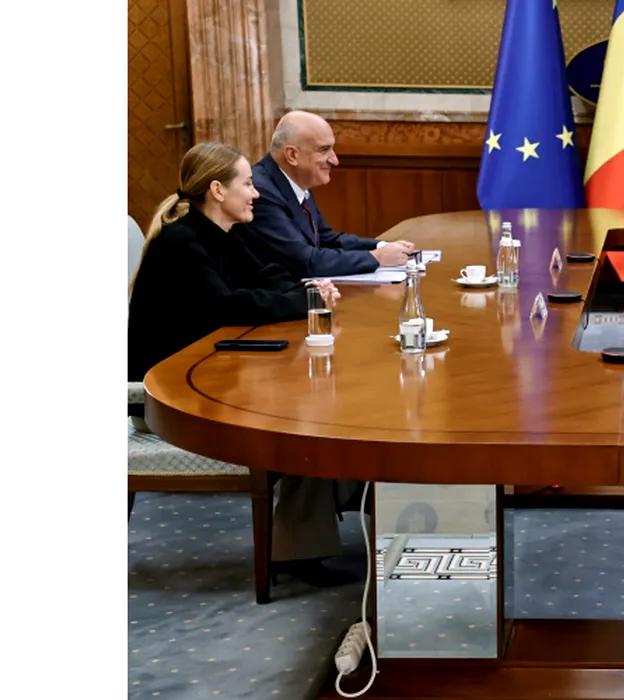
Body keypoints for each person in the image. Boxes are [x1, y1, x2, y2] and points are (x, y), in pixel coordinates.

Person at [129, 141, 358, 588]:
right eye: (248, 184)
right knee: (307, 422)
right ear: (218, 190)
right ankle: (301, 546)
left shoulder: (222, 233)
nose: (256, 193)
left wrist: (308, 289)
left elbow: (267, 277)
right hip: (167, 401)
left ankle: (317, 523)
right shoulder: (181, 242)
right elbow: (227, 306)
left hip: (210, 376)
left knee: (322, 405)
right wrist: (305, 303)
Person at [239, 110, 415, 278]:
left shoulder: (295, 181)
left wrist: (381, 246)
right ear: (292, 155)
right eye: (324, 150)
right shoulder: (261, 193)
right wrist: (377, 257)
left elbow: (326, 239)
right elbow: (305, 262)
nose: (334, 160)